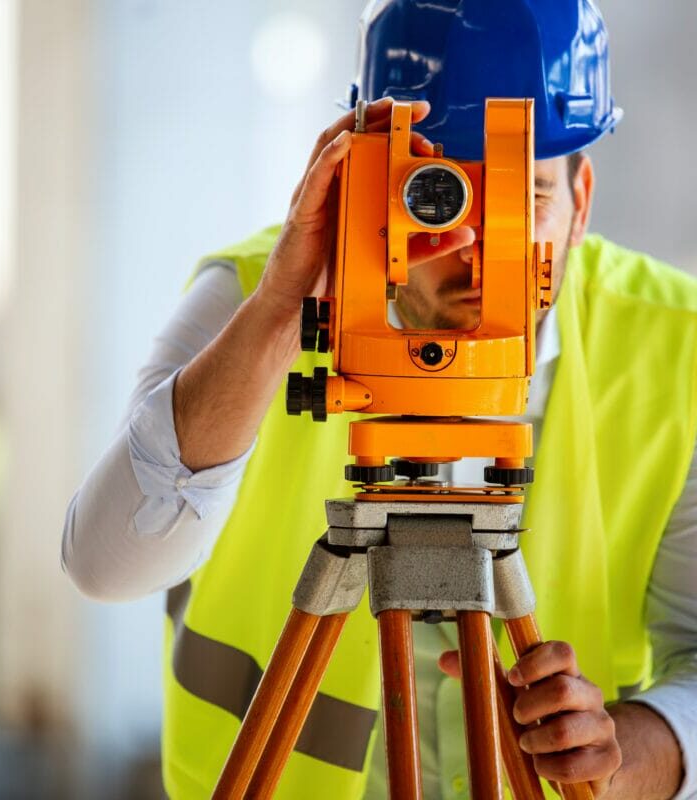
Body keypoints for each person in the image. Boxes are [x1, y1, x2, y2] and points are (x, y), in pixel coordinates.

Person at [62, 1, 697, 798]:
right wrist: (281, 314)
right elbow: (104, 565)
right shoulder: (258, 295)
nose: (474, 246)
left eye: (523, 198)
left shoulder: (677, 347)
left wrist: (624, 751)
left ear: (582, 205)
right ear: (367, 174)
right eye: (439, 196)